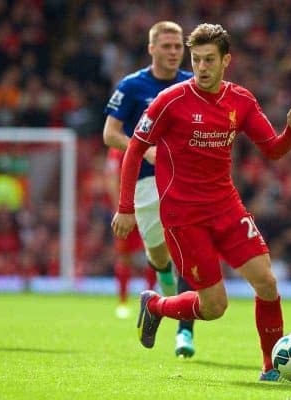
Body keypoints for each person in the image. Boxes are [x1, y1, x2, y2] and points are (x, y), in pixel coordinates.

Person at [112, 23, 291, 382]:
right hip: (183, 217)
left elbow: (273, 150)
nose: (201, 67)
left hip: (226, 207)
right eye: (196, 59)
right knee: (215, 307)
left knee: (266, 281)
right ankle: (155, 304)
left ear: (226, 61)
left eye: (209, 60)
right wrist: (126, 206)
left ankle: (270, 367)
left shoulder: (241, 100)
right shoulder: (169, 100)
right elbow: (135, 149)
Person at [103, 21, 196, 357]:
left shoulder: (193, 84)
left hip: (186, 181)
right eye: (167, 46)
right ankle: (162, 299)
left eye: (178, 47)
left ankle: (184, 332)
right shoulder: (132, 86)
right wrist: (145, 148)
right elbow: (110, 134)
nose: (174, 52)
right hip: (145, 181)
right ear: (152, 48)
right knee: (158, 255)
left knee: (189, 252)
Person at [105, 147, 157, 319]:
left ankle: (149, 301)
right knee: (124, 255)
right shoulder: (117, 149)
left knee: (155, 255)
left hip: (148, 207)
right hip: (127, 210)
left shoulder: (150, 143)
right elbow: (112, 179)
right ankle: (123, 302)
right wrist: (119, 208)